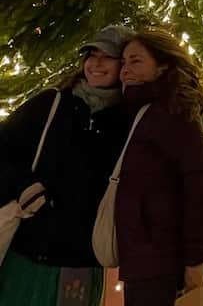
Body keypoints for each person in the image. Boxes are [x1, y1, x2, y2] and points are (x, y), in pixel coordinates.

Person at [0, 26, 132, 306]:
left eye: (107, 57)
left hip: (81, 262)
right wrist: (24, 186)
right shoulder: (51, 104)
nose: (95, 64)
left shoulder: (129, 120)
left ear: (124, 65)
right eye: (91, 55)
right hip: (29, 253)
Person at [115, 29, 203, 306]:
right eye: (124, 62)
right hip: (141, 255)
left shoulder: (172, 110)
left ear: (163, 66)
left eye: (136, 61)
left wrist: (195, 260)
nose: (126, 69)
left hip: (161, 258)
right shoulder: (141, 111)